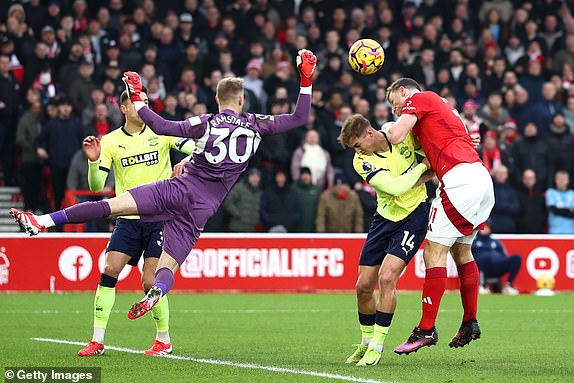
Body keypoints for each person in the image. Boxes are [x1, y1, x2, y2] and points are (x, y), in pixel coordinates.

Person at [11, 48, 317, 319]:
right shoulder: (257, 124)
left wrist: (138, 96)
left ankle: (41, 221)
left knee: (110, 206)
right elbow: (300, 117)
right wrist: (305, 80)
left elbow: (161, 126)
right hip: (204, 208)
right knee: (166, 268)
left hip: (178, 189)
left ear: (217, 99)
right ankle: (157, 290)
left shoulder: (206, 122)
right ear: (241, 99)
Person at [75, 88, 196, 357]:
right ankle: (97, 341)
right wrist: (94, 162)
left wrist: (187, 161)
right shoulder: (109, 141)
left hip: (160, 218)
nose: (142, 108)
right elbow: (96, 186)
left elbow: (195, 147)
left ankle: (163, 340)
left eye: (145, 104)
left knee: (149, 280)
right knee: (109, 269)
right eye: (136, 104)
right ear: (123, 109)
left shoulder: (161, 131)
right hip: (128, 219)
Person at [386, 77, 494, 354]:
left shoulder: (419, 99)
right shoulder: (444, 113)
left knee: (433, 254)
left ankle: (425, 329)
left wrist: (380, 134)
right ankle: (470, 321)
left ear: (403, 92)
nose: (396, 109)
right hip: (480, 178)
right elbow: (433, 167)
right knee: (462, 252)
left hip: (459, 181)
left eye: (394, 103)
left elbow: (396, 135)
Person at [337, 116, 433, 366]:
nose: (356, 152)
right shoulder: (362, 161)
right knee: (363, 286)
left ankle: (377, 347)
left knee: (387, 277)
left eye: (358, 144)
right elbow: (394, 188)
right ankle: (366, 342)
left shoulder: (399, 135)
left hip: (414, 215)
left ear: (370, 133)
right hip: (384, 217)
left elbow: (434, 151)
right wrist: (422, 168)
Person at [472, 222, 521, 295]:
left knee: (516, 258)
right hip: (483, 267)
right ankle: (483, 285)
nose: (485, 229)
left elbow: (504, 255)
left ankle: (509, 285)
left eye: (487, 227)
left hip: (497, 265)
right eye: (484, 227)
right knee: (484, 258)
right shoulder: (474, 242)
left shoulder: (496, 242)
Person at [546, 170, 574, 234]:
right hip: (555, 231)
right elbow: (554, 210)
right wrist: (569, 210)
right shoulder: (550, 192)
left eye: (564, 179)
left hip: (571, 231)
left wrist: (561, 210)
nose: (561, 181)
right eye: (559, 179)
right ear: (555, 180)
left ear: (568, 181)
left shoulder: (572, 194)